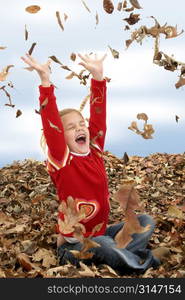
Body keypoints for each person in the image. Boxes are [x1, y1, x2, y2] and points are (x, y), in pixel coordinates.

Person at [21, 53, 169, 275]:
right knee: (105, 246)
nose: (80, 128)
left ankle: (117, 256)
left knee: (145, 221)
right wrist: (45, 81)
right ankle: (144, 262)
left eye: (82, 124)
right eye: (71, 127)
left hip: (102, 234)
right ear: (61, 137)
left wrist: (98, 77)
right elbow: (50, 123)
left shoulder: (95, 151)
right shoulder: (63, 160)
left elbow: (98, 116)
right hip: (74, 247)